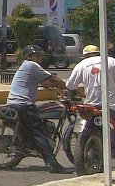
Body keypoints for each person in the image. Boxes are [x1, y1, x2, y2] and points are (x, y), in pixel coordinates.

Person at [5, 44, 69, 173]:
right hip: (24, 104)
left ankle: (26, 147)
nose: (40, 58)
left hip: (13, 103)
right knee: (40, 133)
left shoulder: (25, 67)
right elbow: (52, 78)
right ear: (29, 56)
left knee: (31, 127)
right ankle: (52, 164)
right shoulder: (32, 65)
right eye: (37, 55)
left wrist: (56, 90)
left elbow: (46, 83)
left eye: (40, 55)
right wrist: (68, 86)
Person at [66, 43, 115, 134]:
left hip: (91, 104)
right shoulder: (110, 60)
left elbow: (70, 86)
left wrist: (73, 100)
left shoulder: (80, 65)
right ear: (99, 53)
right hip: (113, 103)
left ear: (84, 55)